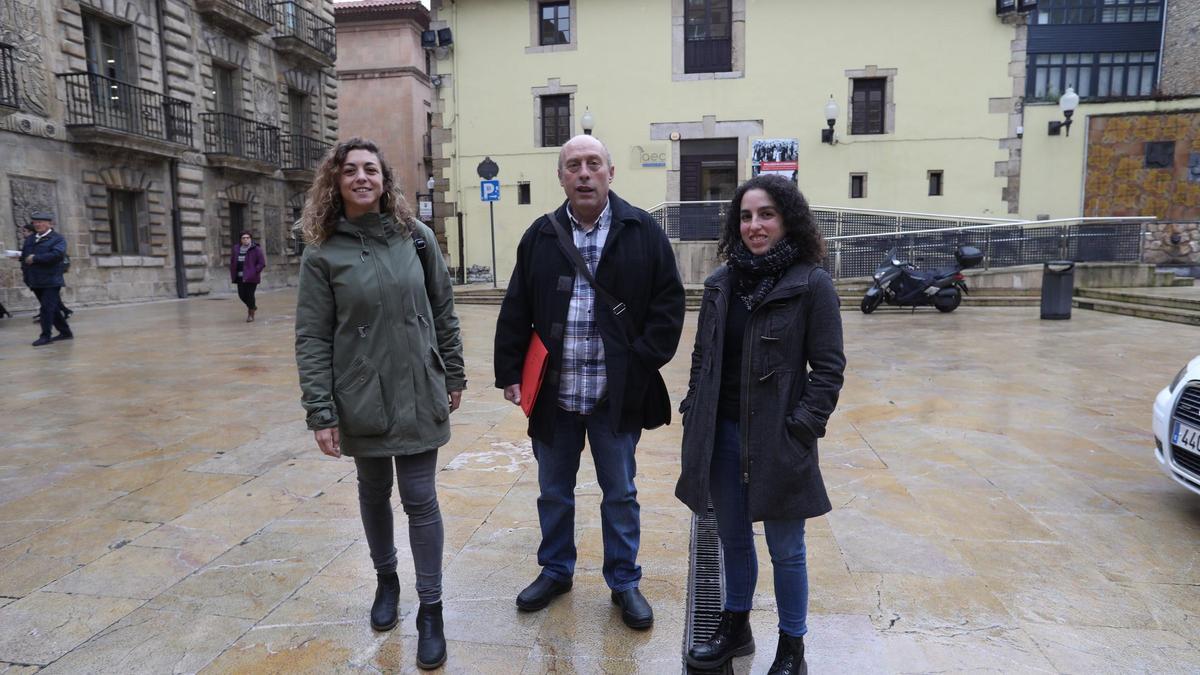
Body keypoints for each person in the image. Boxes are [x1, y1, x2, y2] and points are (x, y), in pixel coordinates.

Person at [493, 135, 686, 629]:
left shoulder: (642, 230)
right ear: (560, 177)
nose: (583, 173)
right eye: (573, 165)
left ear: (610, 173)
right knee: (553, 491)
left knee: (619, 492)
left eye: (592, 164)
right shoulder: (541, 234)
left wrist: (640, 363)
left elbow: (668, 306)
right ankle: (556, 571)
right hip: (556, 393)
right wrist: (509, 372)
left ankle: (625, 582)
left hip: (614, 394)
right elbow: (517, 306)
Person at [293, 137, 463, 670]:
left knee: (420, 497)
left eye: (372, 169)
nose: (362, 177)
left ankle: (430, 608)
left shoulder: (416, 239)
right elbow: (313, 336)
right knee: (373, 491)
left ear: (385, 180)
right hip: (361, 392)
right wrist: (320, 410)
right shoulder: (323, 251)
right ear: (335, 182)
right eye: (351, 171)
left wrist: (453, 372)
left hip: (418, 387)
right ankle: (386, 580)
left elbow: (443, 310)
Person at [675, 174, 846, 674]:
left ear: (787, 218)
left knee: (786, 548)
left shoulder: (811, 283)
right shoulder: (720, 284)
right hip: (722, 434)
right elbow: (704, 354)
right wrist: (693, 408)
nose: (755, 225)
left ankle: (792, 647)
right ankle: (736, 624)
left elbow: (829, 368)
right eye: (746, 216)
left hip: (779, 437)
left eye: (766, 214)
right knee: (731, 537)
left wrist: (801, 426)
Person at [21, 211, 73, 346]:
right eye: (35, 222)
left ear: (49, 223)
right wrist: (20, 257)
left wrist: (35, 258)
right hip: (35, 279)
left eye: (41, 222)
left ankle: (45, 336)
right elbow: (26, 256)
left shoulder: (58, 239)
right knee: (53, 308)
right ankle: (66, 332)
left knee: (46, 308)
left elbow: (57, 255)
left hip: (51, 279)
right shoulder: (30, 239)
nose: (37, 224)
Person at [230, 231, 266, 322]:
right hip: (239, 277)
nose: (245, 239)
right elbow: (232, 261)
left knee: (250, 295)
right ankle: (253, 306)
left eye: (247, 238)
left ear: (250, 239)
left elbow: (261, 263)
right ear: (241, 240)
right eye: (243, 238)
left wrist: (254, 271)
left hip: (251, 277)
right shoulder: (236, 248)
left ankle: (251, 314)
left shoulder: (256, 249)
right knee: (241, 295)